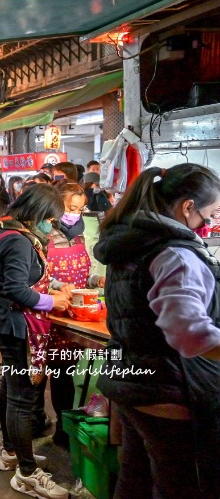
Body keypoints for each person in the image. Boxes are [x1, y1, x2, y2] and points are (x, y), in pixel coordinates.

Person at [94, 164, 220, 498]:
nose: (208, 224)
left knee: (134, 479)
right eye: (208, 215)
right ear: (187, 207)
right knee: (178, 488)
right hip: (166, 392)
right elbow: (190, 334)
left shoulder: (131, 241)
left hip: (131, 381)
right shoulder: (176, 255)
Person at [0, 184, 70, 499]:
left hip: (8, 325)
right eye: (51, 218)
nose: (54, 225)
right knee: (22, 398)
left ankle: (10, 452)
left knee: (12, 387)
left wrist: (56, 286)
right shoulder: (20, 242)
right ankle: (26, 472)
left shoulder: (14, 234)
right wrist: (52, 302)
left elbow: (27, 278)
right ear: (36, 213)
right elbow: (18, 290)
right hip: (16, 327)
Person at [43, 182, 105, 446]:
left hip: (79, 314)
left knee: (72, 371)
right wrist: (58, 287)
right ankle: (60, 429)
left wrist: (94, 280)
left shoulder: (79, 236)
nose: (75, 214)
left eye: (80, 209)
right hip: (53, 314)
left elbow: (84, 272)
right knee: (58, 374)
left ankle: (69, 426)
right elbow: (40, 276)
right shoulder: (45, 234)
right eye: (71, 208)